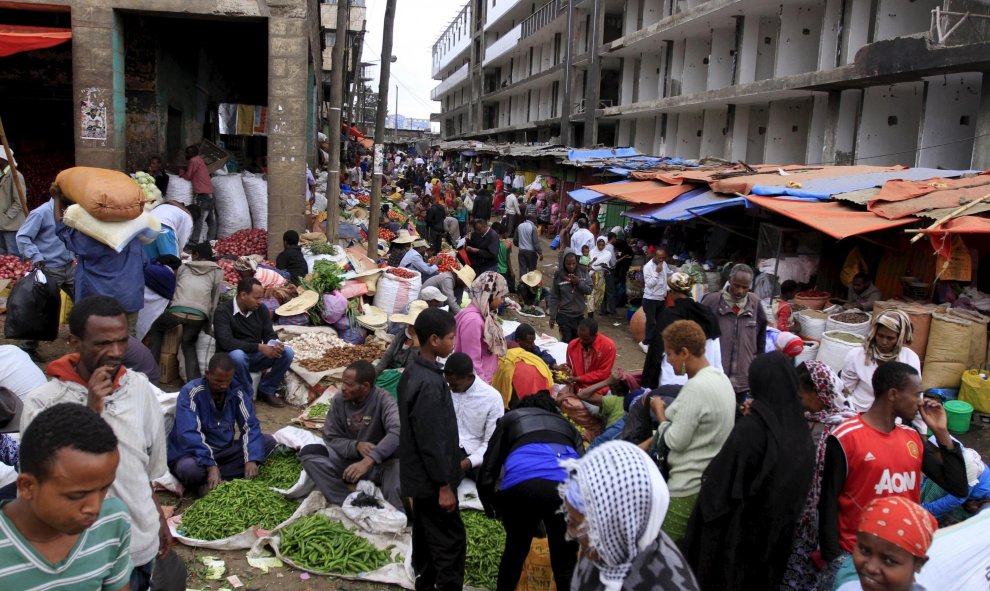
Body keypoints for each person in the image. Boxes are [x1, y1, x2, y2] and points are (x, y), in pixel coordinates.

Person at [21, 295, 178, 591]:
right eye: (102, 344)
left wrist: (157, 519)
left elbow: (143, 469)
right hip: (80, 558)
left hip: (138, 543)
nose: (115, 352)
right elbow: (40, 486)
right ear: (75, 343)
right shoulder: (43, 403)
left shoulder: (140, 389)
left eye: (121, 342)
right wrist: (92, 411)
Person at [818, 362, 968, 587]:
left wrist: (941, 432)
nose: (920, 401)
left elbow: (958, 487)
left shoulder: (912, 437)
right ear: (893, 395)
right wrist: (834, 559)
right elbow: (827, 501)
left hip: (901, 556)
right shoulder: (845, 437)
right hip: (857, 558)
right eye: (916, 393)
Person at [684, 352, 816, 590]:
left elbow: (717, 494)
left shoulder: (752, 432)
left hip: (733, 546)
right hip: (774, 545)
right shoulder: (801, 432)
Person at [1, 403, 133, 591]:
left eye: (104, 488)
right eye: (77, 495)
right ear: (27, 486)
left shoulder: (111, 520)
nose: (95, 508)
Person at [561, 441, 701, 591]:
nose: (571, 533)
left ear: (618, 524)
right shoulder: (603, 553)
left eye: (577, 524)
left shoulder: (666, 584)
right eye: (570, 521)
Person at [477, 392, 583, 591]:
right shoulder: (567, 426)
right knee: (566, 565)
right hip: (569, 491)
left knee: (514, 555)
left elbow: (488, 470)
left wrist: (491, 505)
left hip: (523, 488)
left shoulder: (511, 419)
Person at [642, 320, 736, 542]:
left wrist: (659, 411)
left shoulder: (696, 388)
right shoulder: (719, 378)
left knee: (664, 557)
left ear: (684, 352)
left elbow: (675, 440)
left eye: (670, 354)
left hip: (685, 488)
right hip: (706, 483)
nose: (668, 361)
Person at [397, 308, 466, 590]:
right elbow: (432, 440)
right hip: (432, 481)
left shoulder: (414, 372)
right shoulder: (429, 383)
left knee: (425, 537)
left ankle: (425, 584)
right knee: (450, 544)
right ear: (434, 340)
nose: (454, 342)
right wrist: (444, 485)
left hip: (419, 477)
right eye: (451, 337)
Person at [781, 360, 857, 589]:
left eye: (803, 396)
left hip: (826, 515)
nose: (801, 402)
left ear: (819, 392)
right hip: (803, 510)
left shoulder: (841, 426)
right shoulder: (811, 418)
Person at [300, 360, 403, 511]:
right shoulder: (339, 400)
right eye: (343, 383)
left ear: (365, 386)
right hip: (349, 460)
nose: (343, 388)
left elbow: (397, 431)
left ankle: (396, 516)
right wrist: (356, 446)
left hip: (381, 465)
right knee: (310, 455)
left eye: (349, 385)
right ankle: (347, 501)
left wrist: (370, 459)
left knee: (397, 480)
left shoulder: (384, 400)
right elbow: (330, 437)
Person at [167, 352, 277, 493]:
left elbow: (250, 425)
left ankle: (213, 479)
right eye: (218, 381)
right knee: (188, 469)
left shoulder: (237, 391)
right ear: (207, 374)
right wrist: (210, 464)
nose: (223, 386)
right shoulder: (191, 392)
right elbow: (189, 433)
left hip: (223, 452)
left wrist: (251, 458)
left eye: (227, 381)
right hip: (193, 454)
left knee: (267, 441)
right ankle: (213, 476)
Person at [56, 201, 145, 334]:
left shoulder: (92, 238)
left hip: (98, 305)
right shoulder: (134, 237)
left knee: (95, 342)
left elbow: (62, 230)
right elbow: (145, 264)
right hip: (129, 300)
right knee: (126, 343)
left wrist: (57, 200)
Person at [212, 277, 295, 407]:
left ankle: (267, 390)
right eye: (256, 298)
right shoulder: (223, 311)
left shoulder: (260, 310)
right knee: (238, 355)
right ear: (243, 295)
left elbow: (268, 334)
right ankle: (247, 396)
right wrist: (259, 347)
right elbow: (226, 342)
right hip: (230, 359)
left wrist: (274, 343)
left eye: (261, 298)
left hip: (253, 356)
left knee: (287, 353)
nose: (259, 302)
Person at [147, 243, 223, 380]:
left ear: (196, 255)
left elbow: (177, 289)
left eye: (193, 254)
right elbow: (214, 300)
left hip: (177, 310)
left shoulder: (184, 267)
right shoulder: (217, 271)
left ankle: (152, 374)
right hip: (199, 315)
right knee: (188, 345)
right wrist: (208, 325)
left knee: (156, 329)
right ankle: (195, 383)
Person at [15, 196, 76, 360]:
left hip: (69, 266)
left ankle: (84, 340)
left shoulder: (71, 212)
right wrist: (36, 256)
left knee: (84, 300)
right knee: (42, 308)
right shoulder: (41, 213)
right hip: (48, 267)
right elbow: (22, 236)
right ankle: (28, 347)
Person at [641, 272, 722, 390]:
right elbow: (716, 350)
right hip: (703, 380)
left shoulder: (668, 315)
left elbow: (657, 350)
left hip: (672, 380)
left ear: (672, 293)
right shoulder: (707, 313)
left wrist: (647, 383)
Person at [836, 497, 937, 591]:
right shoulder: (847, 588)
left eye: (889, 561)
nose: (871, 568)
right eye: (864, 550)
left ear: (919, 564)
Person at [700, 263, 767, 402]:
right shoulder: (712, 301)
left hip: (742, 379)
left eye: (745, 287)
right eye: (736, 285)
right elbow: (697, 334)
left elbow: (761, 340)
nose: (740, 291)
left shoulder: (755, 303)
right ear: (729, 281)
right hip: (715, 376)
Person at [842, 309, 921, 414]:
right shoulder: (857, 355)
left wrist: (921, 429)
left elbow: (916, 396)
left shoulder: (910, 358)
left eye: (890, 338)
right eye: (880, 336)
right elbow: (845, 392)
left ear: (900, 338)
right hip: (858, 412)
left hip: (892, 418)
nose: (884, 342)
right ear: (874, 333)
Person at [444, 353, 504, 481]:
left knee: (492, 478)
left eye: (454, 385)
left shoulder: (492, 398)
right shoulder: (446, 390)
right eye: (448, 383)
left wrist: (468, 463)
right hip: (447, 448)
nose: (450, 388)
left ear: (469, 377)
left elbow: (491, 444)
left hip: (475, 453)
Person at [454, 272, 508, 383]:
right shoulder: (473, 321)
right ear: (489, 294)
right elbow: (471, 362)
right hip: (476, 382)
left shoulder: (485, 316)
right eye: (501, 296)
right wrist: (483, 387)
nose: (502, 301)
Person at [548, 252, 592, 343]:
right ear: (564, 263)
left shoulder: (583, 272)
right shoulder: (559, 275)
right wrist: (552, 316)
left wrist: (579, 282)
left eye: (573, 263)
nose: (571, 266)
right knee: (567, 341)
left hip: (579, 315)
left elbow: (589, 290)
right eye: (568, 264)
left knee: (578, 342)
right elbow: (554, 296)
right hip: (564, 315)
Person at [565, 318, 617, 395]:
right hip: (578, 386)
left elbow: (603, 373)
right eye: (579, 337)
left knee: (592, 407)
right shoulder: (572, 345)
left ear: (595, 335)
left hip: (599, 387)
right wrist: (566, 370)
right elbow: (570, 365)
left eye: (585, 339)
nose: (581, 341)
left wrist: (579, 378)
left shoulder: (608, 346)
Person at [137, 254, 181, 341]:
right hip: (149, 309)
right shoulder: (168, 275)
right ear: (175, 268)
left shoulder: (148, 266)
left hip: (135, 302)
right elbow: (170, 295)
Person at [376, 300, 426, 375]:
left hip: (407, 376)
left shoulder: (423, 342)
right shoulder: (402, 335)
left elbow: (411, 368)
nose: (410, 327)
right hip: (392, 370)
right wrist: (374, 374)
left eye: (413, 326)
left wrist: (416, 342)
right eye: (410, 325)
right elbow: (387, 357)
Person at [180, 145, 216, 243]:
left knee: (199, 218)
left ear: (192, 154)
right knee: (210, 219)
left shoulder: (193, 160)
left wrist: (182, 173)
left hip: (202, 195)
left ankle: (194, 240)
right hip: (210, 194)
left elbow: (188, 176)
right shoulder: (199, 160)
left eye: (187, 153)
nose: (186, 154)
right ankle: (211, 240)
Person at [640, 247, 671, 353]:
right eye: (659, 258)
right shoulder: (647, 267)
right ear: (654, 256)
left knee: (661, 321)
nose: (661, 260)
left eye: (663, 258)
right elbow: (649, 284)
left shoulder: (664, 264)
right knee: (651, 322)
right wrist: (657, 273)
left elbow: (666, 277)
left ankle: (656, 343)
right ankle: (645, 343)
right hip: (650, 299)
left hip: (661, 298)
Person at [0, 147, 25, 256]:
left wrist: (6, 217)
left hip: (11, 225)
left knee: (13, 255)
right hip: (2, 224)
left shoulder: (15, 176)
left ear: (3, 159)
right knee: (3, 255)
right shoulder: (2, 174)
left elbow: (20, 201)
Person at [590, 236, 615, 315]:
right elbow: (590, 262)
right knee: (592, 293)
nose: (600, 247)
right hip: (592, 275)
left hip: (602, 275)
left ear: (605, 245)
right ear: (596, 244)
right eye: (599, 244)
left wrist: (593, 267)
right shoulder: (592, 251)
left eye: (602, 245)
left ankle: (600, 308)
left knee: (601, 292)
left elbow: (602, 265)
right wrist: (594, 266)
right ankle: (592, 310)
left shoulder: (607, 254)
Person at [514, 213, 542, 281]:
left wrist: (520, 245)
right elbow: (535, 242)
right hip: (531, 252)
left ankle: (522, 286)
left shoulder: (519, 226)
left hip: (521, 251)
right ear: (531, 219)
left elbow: (515, 240)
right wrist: (540, 253)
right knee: (532, 271)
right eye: (535, 218)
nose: (535, 220)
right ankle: (531, 286)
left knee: (522, 269)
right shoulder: (533, 227)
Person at [493, 221, 514, 290]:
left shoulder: (494, 241)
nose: (508, 235)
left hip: (495, 268)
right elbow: (508, 259)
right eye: (507, 233)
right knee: (502, 289)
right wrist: (511, 271)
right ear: (504, 233)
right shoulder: (508, 244)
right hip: (504, 269)